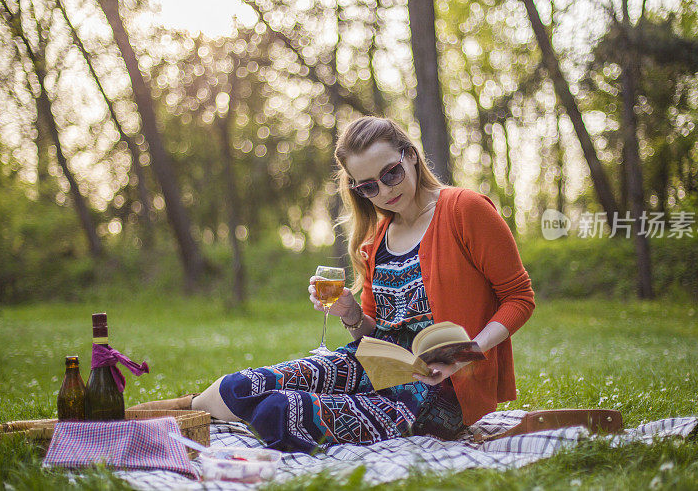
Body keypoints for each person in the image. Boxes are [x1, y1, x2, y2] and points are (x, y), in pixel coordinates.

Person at [130, 117, 535, 452]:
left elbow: (519, 297)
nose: (385, 190)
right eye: (369, 186)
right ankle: (140, 418)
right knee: (242, 386)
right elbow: (376, 331)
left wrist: (465, 353)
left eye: (390, 173)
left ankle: (159, 422)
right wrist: (351, 314)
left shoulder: (464, 209)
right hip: (377, 362)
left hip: (442, 390)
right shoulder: (377, 239)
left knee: (276, 412)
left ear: (410, 155)